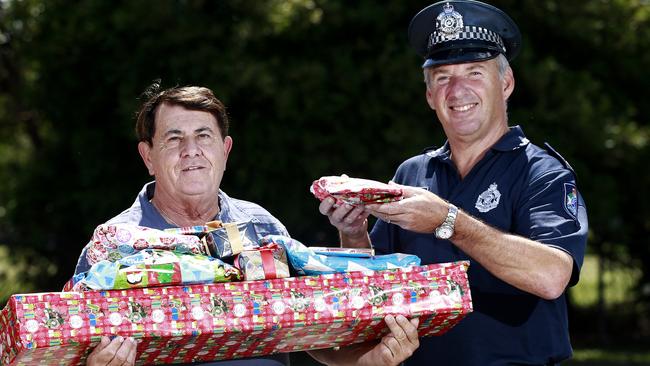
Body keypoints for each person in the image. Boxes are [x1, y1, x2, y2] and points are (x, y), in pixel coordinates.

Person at [317, 1, 588, 365]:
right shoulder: (412, 174)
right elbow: (376, 290)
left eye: (475, 72)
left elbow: (552, 275)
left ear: (505, 83)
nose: (457, 90)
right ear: (430, 96)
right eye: (443, 78)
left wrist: (448, 221)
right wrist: (352, 233)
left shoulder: (541, 172)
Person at [75, 83, 418, 366]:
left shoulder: (262, 228)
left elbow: (316, 339)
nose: (191, 150)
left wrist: (372, 360)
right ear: (148, 156)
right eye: (174, 138)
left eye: (204, 136)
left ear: (225, 150)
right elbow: (65, 349)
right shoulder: (111, 246)